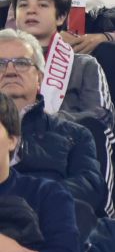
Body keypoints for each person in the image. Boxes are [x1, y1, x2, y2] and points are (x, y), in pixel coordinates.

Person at [0, 30, 105, 219]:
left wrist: (32, 200)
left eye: (22, 63)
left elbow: (90, 187)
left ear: (39, 78)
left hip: (52, 223)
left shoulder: (76, 134)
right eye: (0, 64)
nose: (10, 71)